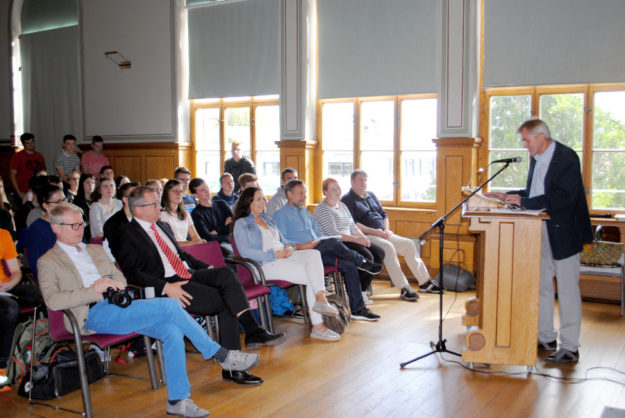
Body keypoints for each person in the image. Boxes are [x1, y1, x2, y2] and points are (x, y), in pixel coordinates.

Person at [38, 203, 260, 417]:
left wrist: (110, 282)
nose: (79, 230)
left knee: (172, 331)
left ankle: (178, 401)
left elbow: (121, 279)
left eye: (81, 224)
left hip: (120, 303)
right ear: (56, 228)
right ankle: (219, 354)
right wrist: (94, 290)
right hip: (90, 312)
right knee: (170, 304)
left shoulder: (94, 250)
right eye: (73, 226)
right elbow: (54, 300)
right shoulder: (48, 261)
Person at [112, 187, 286, 384]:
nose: (159, 207)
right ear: (138, 209)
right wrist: (165, 288)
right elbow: (133, 273)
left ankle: (251, 333)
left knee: (224, 273)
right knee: (225, 301)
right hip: (168, 285)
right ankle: (240, 354)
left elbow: (182, 256)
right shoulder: (125, 233)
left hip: (188, 273)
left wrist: (208, 267)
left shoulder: (162, 226)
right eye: (154, 204)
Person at [484, 118, 592, 366]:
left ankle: (570, 347)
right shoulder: (537, 160)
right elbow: (535, 195)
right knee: (542, 283)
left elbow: (563, 198)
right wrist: (509, 196)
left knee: (566, 289)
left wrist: (522, 202)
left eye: (527, 139)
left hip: (564, 232)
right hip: (540, 230)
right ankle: (545, 337)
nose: (525, 145)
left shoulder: (566, 158)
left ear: (541, 136)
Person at [233, 187, 342, 341]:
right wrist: (274, 254)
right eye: (258, 199)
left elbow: (283, 240)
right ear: (248, 202)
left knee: (314, 254)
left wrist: (289, 246)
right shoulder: (242, 224)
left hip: (284, 256)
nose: (264, 202)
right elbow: (246, 252)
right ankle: (318, 326)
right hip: (265, 264)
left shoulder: (267, 219)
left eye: (264, 198)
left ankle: (320, 297)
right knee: (312, 276)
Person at [272, 180, 382, 321]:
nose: (304, 196)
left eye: (305, 193)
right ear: (289, 194)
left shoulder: (305, 212)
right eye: (300, 193)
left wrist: (320, 240)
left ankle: (358, 309)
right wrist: (302, 246)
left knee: (348, 266)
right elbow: (282, 242)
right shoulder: (280, 215)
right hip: (302, 254)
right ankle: (361, 261)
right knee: (333, 241)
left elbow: (318, 234)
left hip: (319, 251)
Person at [342, 169, 438, 302]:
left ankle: (425, 282)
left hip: (384, 233)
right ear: (352, 181)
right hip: (366, 236)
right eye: (360, 180)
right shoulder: (347, 199)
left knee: (408, 244)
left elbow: (384, 215)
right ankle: (404, 288)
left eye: (365, 180)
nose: (363, 183)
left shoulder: (371, 195)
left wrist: (386, 230)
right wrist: (377, 232)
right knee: (388, 248)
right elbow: (354, 224)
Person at [314, 178, 385, 306]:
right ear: (325, 192)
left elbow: (352, 226)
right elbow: (333, 234)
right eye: (333, 189)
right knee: (367, 257)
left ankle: (362, 290)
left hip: (351, 238)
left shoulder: (343, 205)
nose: (337, 191)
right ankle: (357, 292)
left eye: (338, 187)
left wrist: (363, 237)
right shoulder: (323, 209)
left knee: (379, 252)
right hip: (337, 243)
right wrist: (357, 240)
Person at [17, 185, 66, 279]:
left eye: (64, 200)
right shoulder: (37, 229)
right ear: (45, 206)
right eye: (58, 202)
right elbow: (37, 264)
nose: (64, 205)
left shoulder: (69, 222)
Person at [189, 178, 233, 256]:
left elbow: (234, 225)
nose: (207, 191)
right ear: (195, 195)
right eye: (202, 190)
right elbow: (208, 238)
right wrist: (226, 229)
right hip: (217, 246)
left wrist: (217, 231)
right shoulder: (196, 214)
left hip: (232, 240)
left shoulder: (222, 204)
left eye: (207, 187)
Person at [160, 179, 204, 247]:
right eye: (175, 191)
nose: (179, 194)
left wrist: (199, 242)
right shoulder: (162, 215)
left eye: (181, 191)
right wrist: (191, 243)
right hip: (172, 252)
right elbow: (168, 243)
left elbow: (195, 236)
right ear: (166, 193)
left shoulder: (185, 213)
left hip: (186, 249)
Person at [103, 182, 141, 258]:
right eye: (135, 196)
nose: (140, 199)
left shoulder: (143, 218)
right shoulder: (113, 223)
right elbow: (119, 253)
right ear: (125, 199)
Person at [9, 133, 46, 200]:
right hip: (24, 191)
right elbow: (12, 175)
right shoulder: (18, 157)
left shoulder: (39, 156)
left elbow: (43, 173)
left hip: (38, 191)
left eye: (32, 141)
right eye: (27, 143)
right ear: (23, 144)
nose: (30, 144)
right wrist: (19, 192)